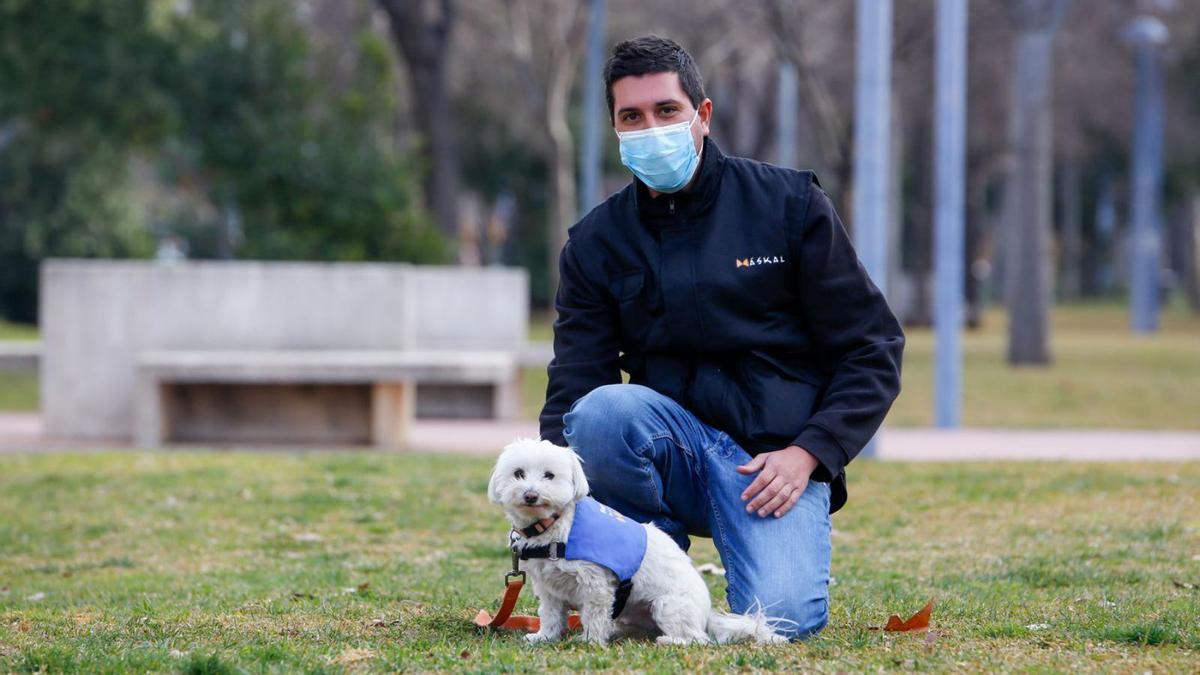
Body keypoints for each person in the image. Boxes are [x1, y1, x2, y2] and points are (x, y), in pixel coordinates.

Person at [538, 35, 904, 640]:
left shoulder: (789, 204)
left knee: (784, 622)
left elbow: (873, 347)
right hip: (666, 450)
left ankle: (697, 597)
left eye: (667, 111)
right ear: (614, 128)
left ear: (702, 116)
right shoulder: (596, 243)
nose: (649, 127)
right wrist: (546, 504)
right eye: (632, 117)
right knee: (600, 411)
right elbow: (575, 378)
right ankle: (649, 579)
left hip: (771, 467)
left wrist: (810, 452)